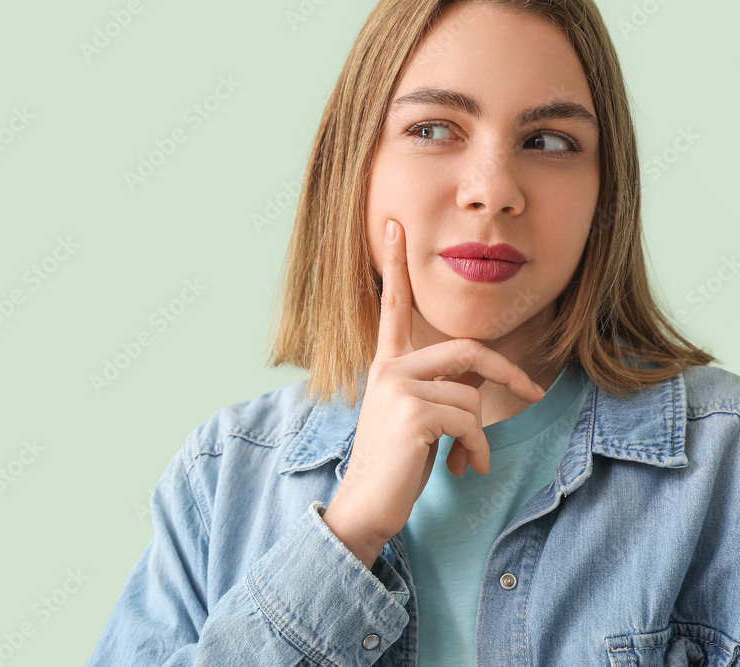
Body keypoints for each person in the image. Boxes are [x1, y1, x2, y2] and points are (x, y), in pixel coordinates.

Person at [86, 0, 740, 664]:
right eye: (433, 129)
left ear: (606, 190)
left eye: (547, 141)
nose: (493, 191)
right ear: (355, 165)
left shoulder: (726, 463)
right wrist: (347, 535)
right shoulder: (222, 479)